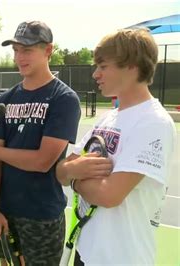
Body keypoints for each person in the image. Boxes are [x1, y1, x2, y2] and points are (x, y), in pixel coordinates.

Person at [56, 28, 176, 265]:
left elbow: (109, 195)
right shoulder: (108, 118)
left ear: (131, 65)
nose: (95, 74)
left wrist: (75, 177)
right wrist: (71, 172)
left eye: (103, 66)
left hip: (121, 258)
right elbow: (60, 170)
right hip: (86, 252)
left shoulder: (154, 122)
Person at [0, 20, 81, 265]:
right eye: (16, 50)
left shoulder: (64, 99)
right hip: (5, 211)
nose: (19, 57)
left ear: (48, 50)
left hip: (42, 214)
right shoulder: (4, 100)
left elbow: (42, 161)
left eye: (27, 50)